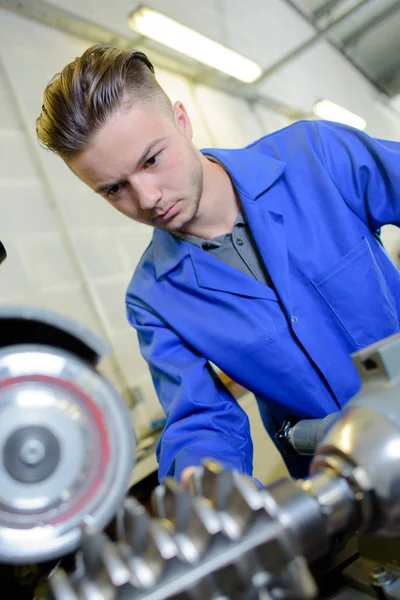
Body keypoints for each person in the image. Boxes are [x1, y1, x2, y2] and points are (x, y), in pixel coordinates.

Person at [36, 44, 400, 486]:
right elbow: (201, 419)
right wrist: (202, 488)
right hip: (340, 488)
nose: (147, 199)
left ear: (182, 121)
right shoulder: (153, 299)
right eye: (114, 189)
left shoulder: (316, 157)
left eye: (152, 160)